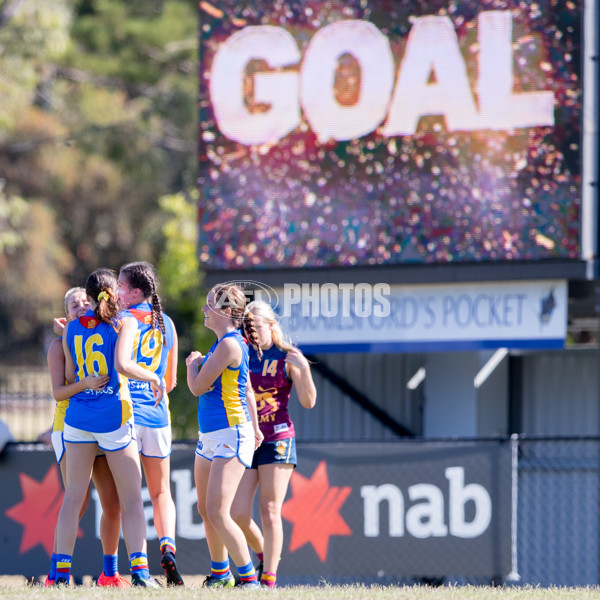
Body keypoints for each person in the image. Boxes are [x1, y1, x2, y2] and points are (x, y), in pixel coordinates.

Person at [52, 268, 165, 588]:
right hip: (113, 418)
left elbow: (72, 374)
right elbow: (123, 366)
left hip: (78, 420)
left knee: (73, 498)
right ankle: (141, 574)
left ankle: (60, 574)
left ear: (87, 297)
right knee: (130, 499)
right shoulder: (123, 322)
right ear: (115, 294)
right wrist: (154, 377)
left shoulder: (71, 328)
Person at [44, 287, 128, 588]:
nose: (80, 307)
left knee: (113, 502)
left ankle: (110, 573)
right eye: (73, 305)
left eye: (84, 302)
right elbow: (58, 392)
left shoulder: (104, 332)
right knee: (76, 501)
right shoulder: (60, 343)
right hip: (69, 424)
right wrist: (85, 383)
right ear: (65, 313)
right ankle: (56, 575)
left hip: (102, 422)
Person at [231, 300, 316, 588]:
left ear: (271, 325)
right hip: (247, 438)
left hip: (277, 436)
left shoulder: (286, 356)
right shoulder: (240, 351)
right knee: (237, 513)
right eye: (247, 327)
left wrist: (303, 369)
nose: (252, 332)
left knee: (269, 508)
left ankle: (268, 579)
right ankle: (263, 555)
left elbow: (308, 401)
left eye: (256, 326)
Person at [186, 283, 263, 588]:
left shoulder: (230, 345)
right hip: (210, 436)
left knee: (218, 511)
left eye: (209, 305)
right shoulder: (222, 346)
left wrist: (192, 366)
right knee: (206, 509)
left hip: (231, 434)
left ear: (227, 312)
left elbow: (196, 387)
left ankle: (250, 580)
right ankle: (220, 575)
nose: (204, 310)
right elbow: (245, 391)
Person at [117, 261, 184, 586]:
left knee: (131, 498)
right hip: (158, 415)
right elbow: (170, 381)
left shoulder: (121, 320)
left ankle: (140, 569)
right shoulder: (166, 323)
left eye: (120, 286)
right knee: (161, 492)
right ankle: (168, 547)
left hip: (127, 415)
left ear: (135, 291)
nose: (116, 292)